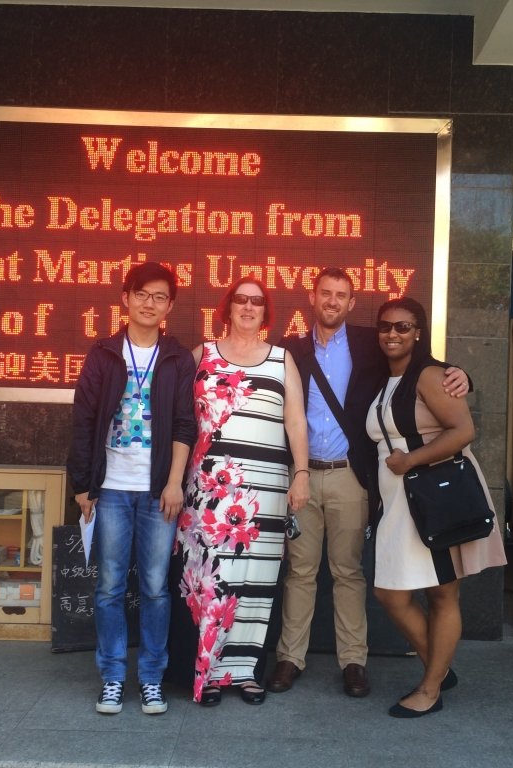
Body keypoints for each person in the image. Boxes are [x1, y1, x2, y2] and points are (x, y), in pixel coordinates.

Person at [266, 267, 470, 698]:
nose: (332, 301)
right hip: (301, 476)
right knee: (300, 572)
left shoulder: (370, 343)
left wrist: (462, 374)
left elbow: (421, 365)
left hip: (350, 477)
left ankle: (353, 661)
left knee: (349, 573)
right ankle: (289, 658)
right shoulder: (288, 349)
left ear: (352, 302)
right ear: (312, 297)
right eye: (326, 293)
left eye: (341, 295)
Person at [366, 296, 506, 718]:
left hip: (433, 496)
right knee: (389, 592)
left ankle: (430, 689)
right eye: (386, 326)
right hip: (400, 501)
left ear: (418, 332)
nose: (393, 333)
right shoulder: (388, 377)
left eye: (403, 327)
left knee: (443, 592)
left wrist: (409, 460)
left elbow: (463, 429)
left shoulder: (428, 374)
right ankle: (440, 669)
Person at [67, 261, 197, 716]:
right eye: (141, 294)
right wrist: (83, 486)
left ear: (169, 306)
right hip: (112, 489)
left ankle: (152, 679)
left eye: (159, 296)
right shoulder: (103, 354)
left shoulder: (177, 357)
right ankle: (113, 677)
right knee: (108, 586)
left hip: (158, 490)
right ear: (126, 298)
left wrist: (174, 482)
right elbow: (83, 421)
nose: (149, 303)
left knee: (158, 588)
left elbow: (186, 423)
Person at [176, 275, 310, 707]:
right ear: (228, 308)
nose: (249, 308)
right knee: (216, 581)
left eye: (257, 302)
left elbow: (295, 422)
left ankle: (246, 671)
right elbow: (179, 419)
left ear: (265, 312)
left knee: (256, 581)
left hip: (265, 491)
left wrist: (302, 472)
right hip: (211, 494)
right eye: (241, 300)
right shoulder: (202, 354)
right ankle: (210, 672)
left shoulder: (282, 359)